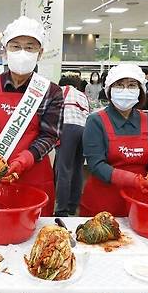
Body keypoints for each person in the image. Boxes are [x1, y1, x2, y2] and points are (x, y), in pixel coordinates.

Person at [0, 16, 64, 216]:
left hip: (33, 174)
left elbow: (50, 135)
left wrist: (25, 160)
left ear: (40, 53)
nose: (22, 53)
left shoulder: (50, 91)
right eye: (16, 46)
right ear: (5, 51)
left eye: (30, 47)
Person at [81, 64, 148, 217]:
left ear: (140, 91)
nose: (125, 90)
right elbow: (96, 165)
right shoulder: (96, 121)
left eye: (132, 85)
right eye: (119, 85)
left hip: (140, 199)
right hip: (103, 202)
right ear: (109, 90)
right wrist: (134, 180)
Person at [54, 75, 89, 217]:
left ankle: (61, 210)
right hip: (84, 129)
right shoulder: (82, 95)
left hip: (67, 127)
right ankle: (72, 206)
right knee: (77, 169)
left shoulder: (60, 90)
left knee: (64, 170)